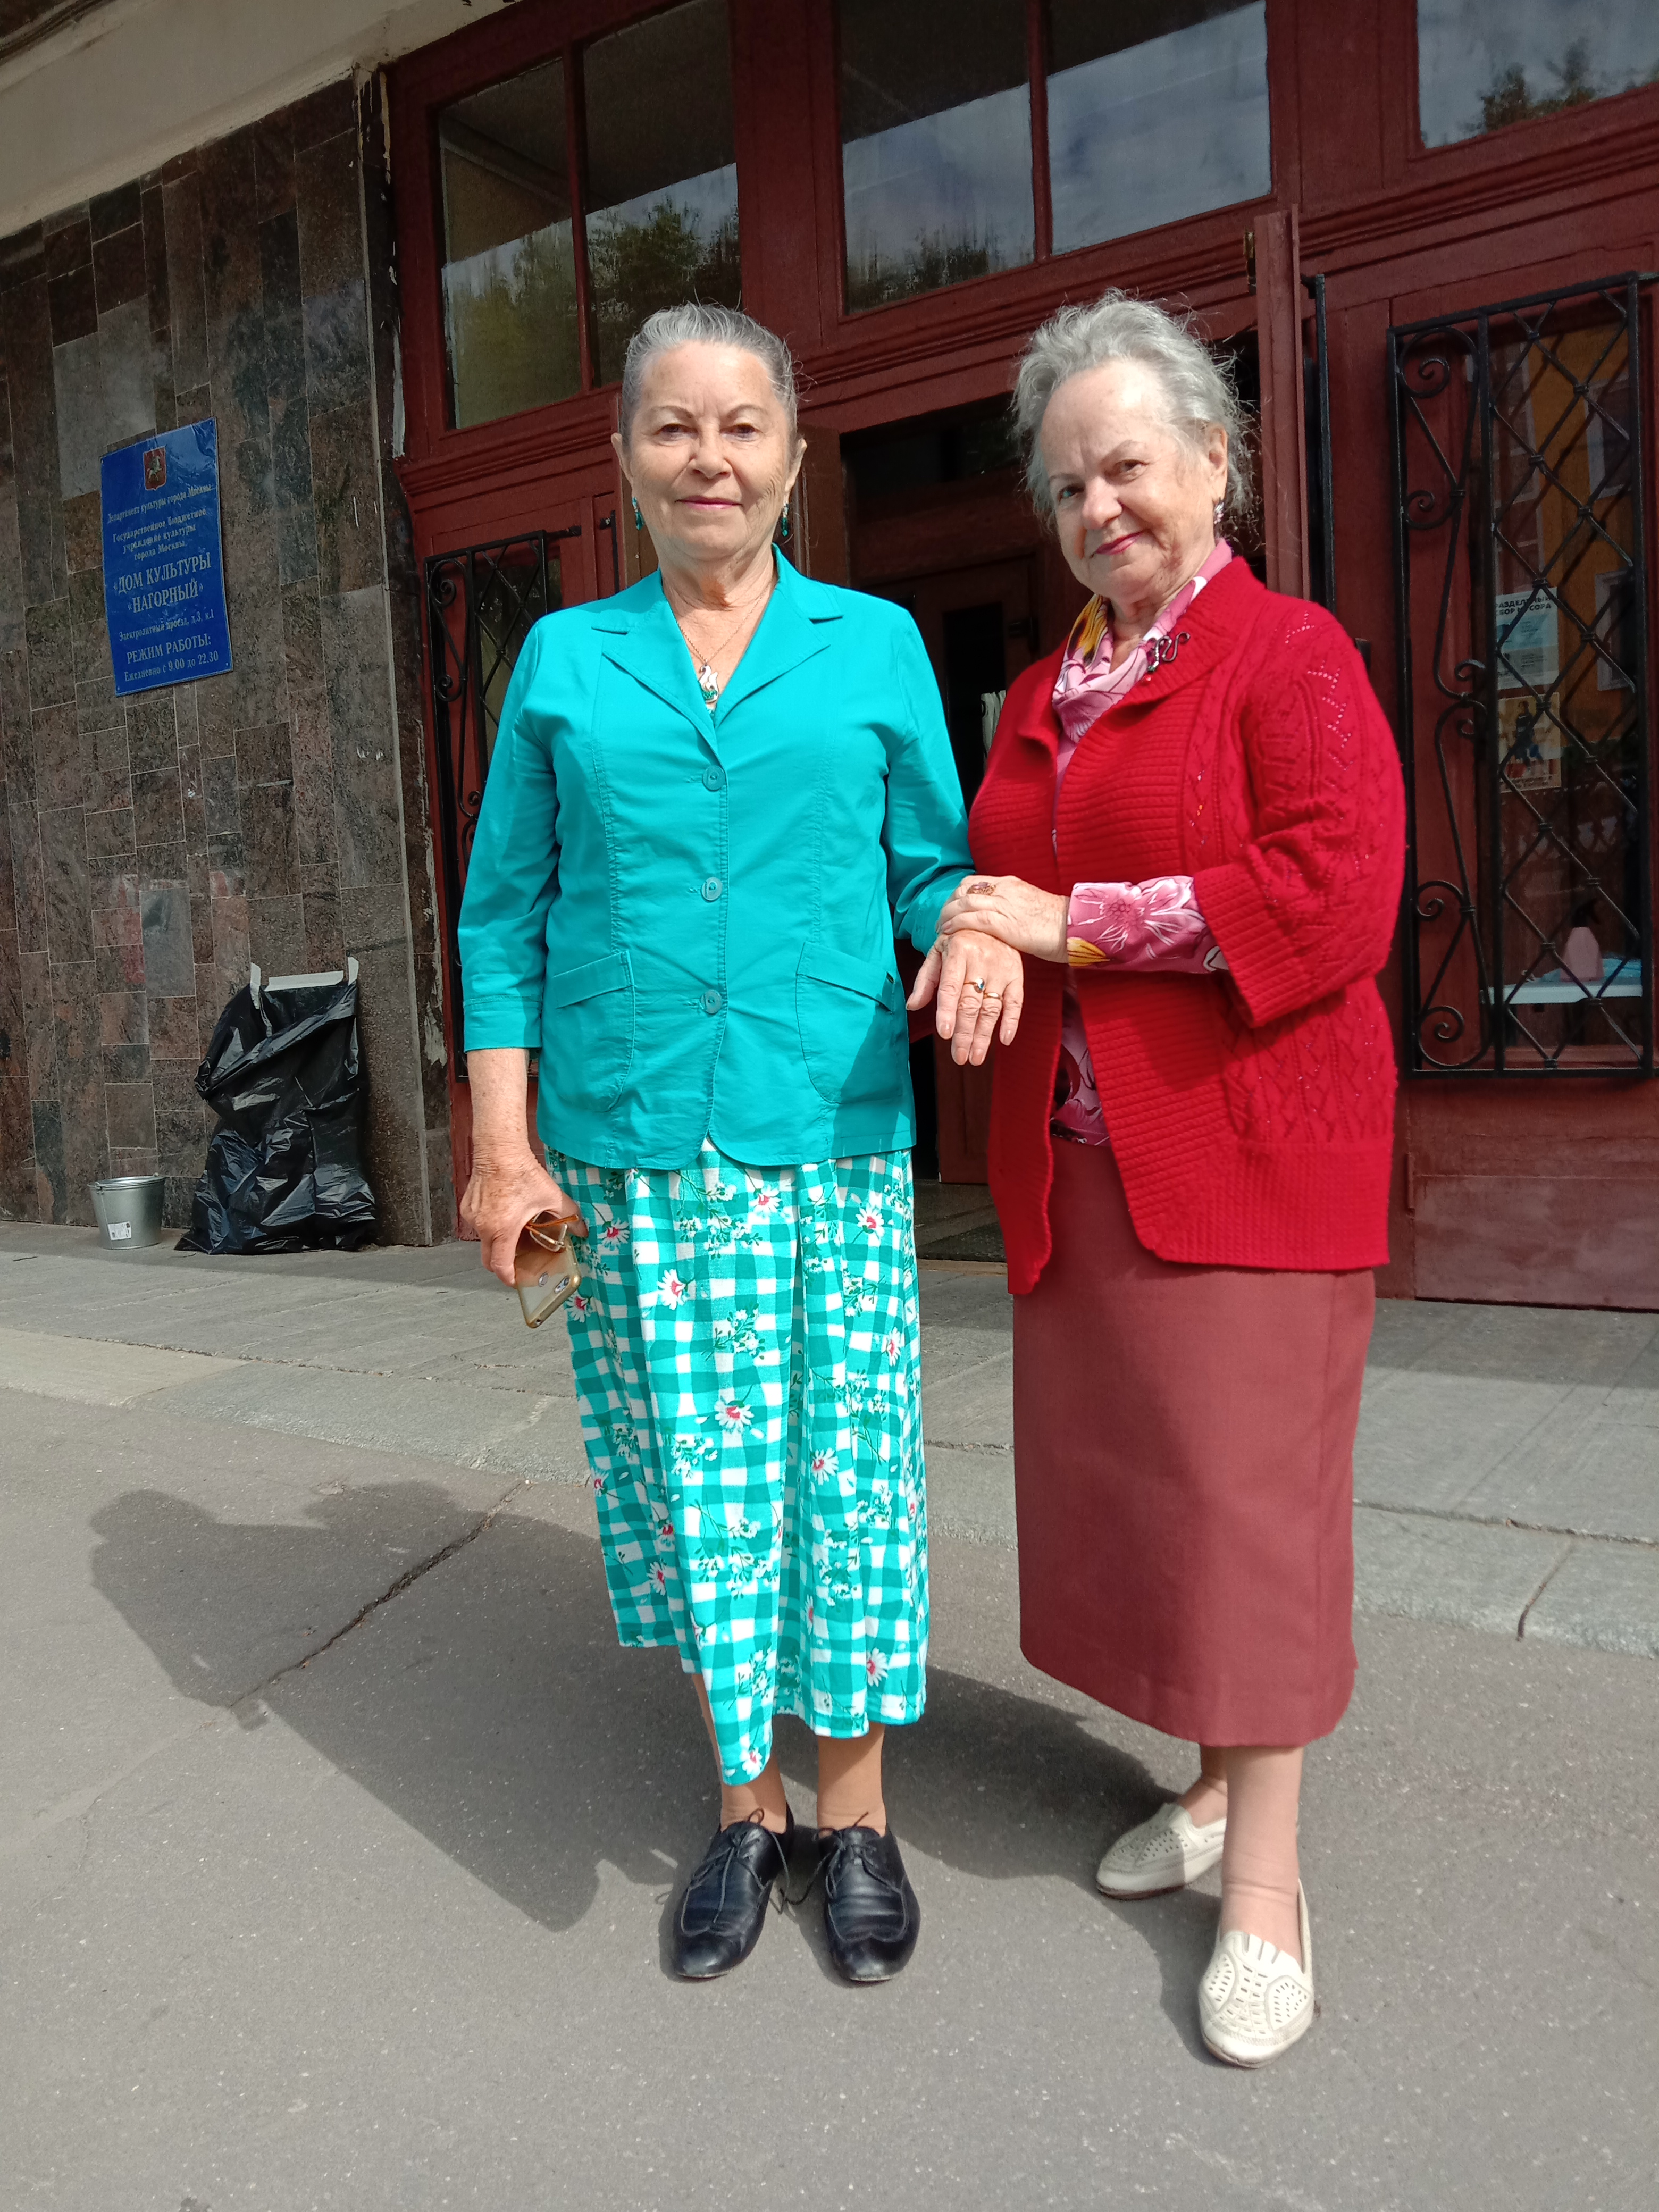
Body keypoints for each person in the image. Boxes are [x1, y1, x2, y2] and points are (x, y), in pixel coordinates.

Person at [456, 304, 1023, 1985]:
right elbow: (502, 916)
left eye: (742, 427)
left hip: (824, 1126)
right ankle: (745, 1811)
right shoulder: (568, 660)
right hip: (630, 1144)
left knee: (845, 1484)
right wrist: (502, 1149)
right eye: (674, 428)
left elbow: (931, 864)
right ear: (626, 458)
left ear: (791, 454)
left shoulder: (874, 644)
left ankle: (859, 1816)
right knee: (697, 1489)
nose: (710, 459)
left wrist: (973, 924)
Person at [929, 291, 1404, 2065]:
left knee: (1250, 1514)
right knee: (1165, 1507)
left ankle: (1267, 1887)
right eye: (1067, 485)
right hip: (1085, 1174)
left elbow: (1338, 895)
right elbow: (998, 879)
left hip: (1255, 1161)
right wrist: (983, 924)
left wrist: (1073, 923)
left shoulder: (1290, 656)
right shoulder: (1045, 689)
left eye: (1126, 466)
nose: (1098, 506)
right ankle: (1210, 1790)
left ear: (1216, 461)